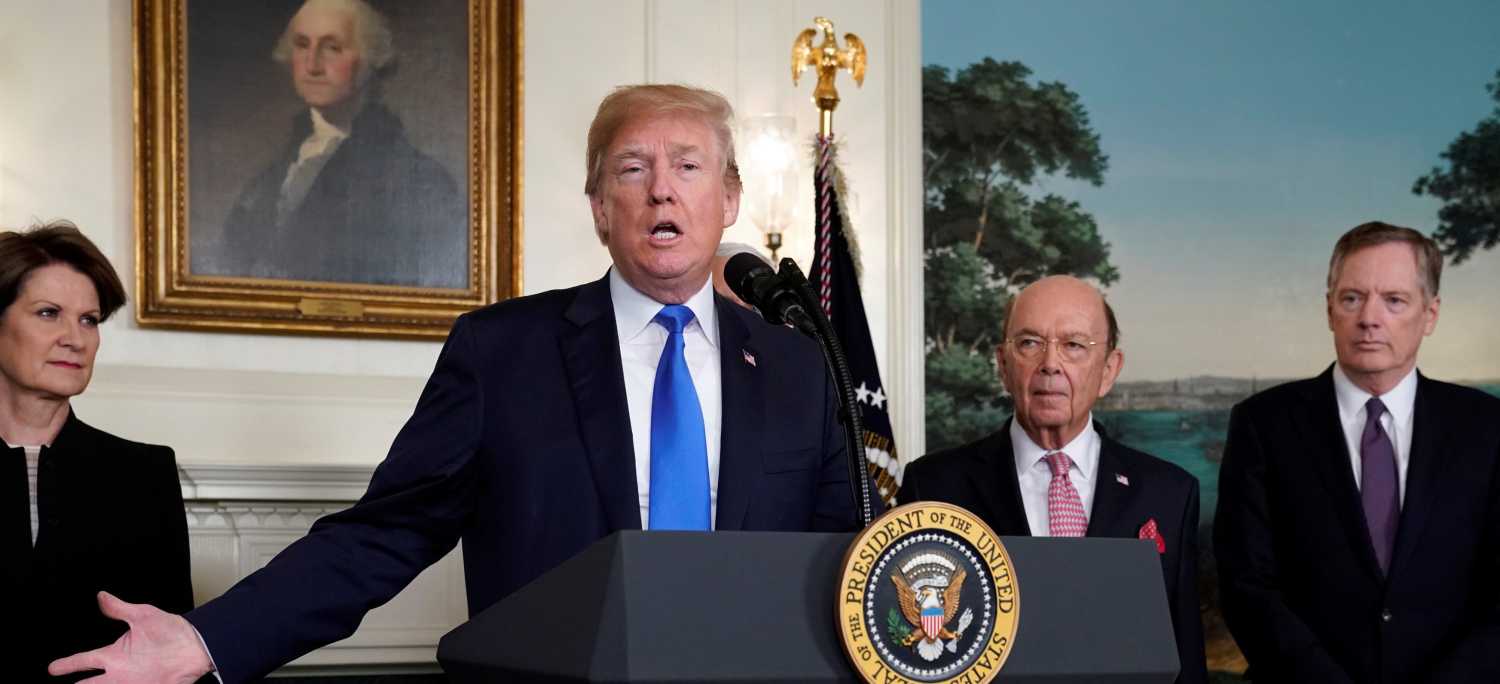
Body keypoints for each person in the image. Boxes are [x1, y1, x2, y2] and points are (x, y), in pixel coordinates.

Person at [51, 84, 866, 683]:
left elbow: (838, 561)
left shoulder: (799, 365)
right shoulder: (503, 353)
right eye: (632, 168)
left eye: (688, 166)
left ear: (728, 200)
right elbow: (384, 534)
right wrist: (207, 640)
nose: (662, 188)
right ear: (598, 207)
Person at [1215, 222, 1500, 683]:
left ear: (1430, 314)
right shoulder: (1263, 424)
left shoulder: (1487, 427)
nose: (1369, 318)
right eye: (1352, 298)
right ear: (1329, 309)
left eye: (1394, 300)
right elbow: (1247, 585)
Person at [898, 275, 1208, 684]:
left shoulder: (1169, 494)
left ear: (1109, 370)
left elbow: (1184, 661)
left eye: (1074, 345)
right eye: (1030, 343)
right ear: (1003, 365)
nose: (1050, 363)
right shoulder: (933, 486)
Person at [0, 222, 193, 681]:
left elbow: (170, 651)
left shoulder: (145, 474)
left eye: (89, 319)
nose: (76, 338)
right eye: (49, 313)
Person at [204, 0, 467, 288]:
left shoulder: (420, 181)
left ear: (370, 60)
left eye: (332, 48)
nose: (312, 65)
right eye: (302, 45)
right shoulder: (273, 175)